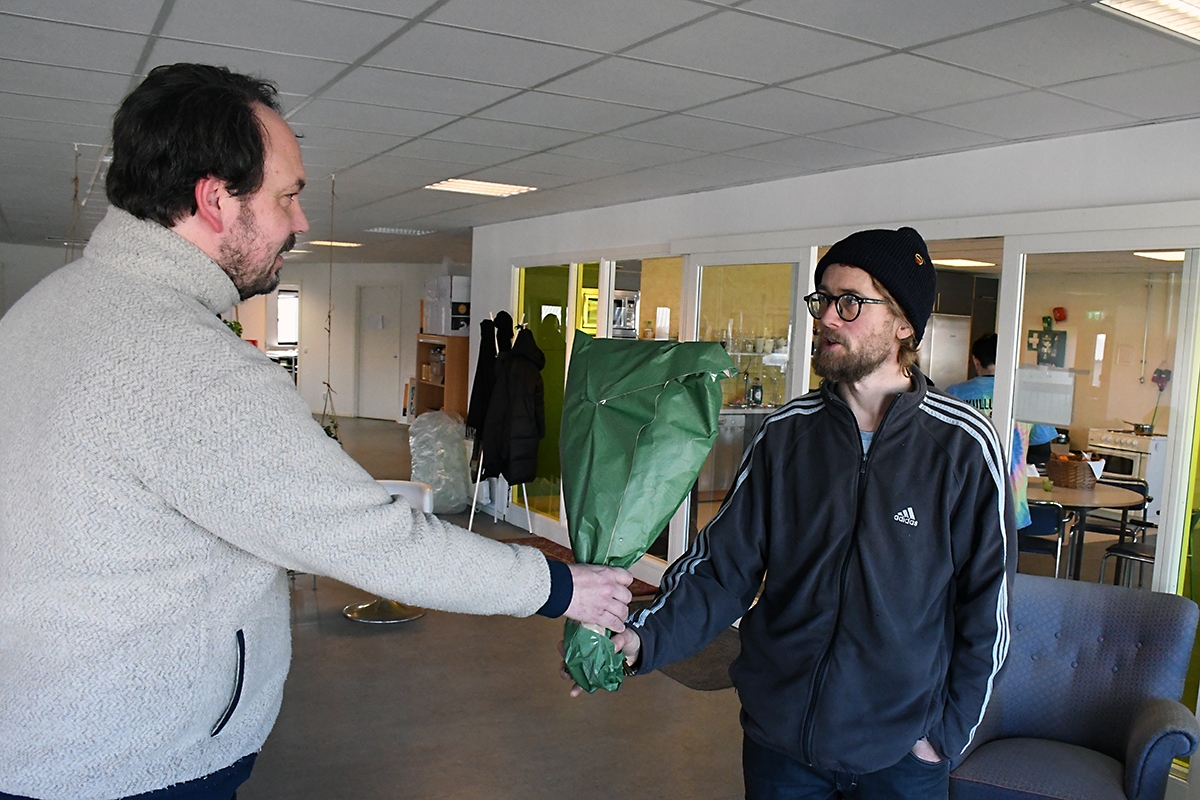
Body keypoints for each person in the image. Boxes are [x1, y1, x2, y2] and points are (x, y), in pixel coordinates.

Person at [0, 63, 632, 800]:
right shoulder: (187, 363)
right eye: (287, 196)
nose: (301, 221)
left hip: (37, 725)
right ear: (214, 199)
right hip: (124, 764)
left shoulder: (42, 312)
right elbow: (365, 539)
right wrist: (558, 586)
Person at [592, 228, 1015, 799]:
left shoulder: (962, 446)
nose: (828, 319)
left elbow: (989, 609)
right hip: (782, 746)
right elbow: (722, 568)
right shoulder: (786, 436)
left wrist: (944, 737)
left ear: (903, 324)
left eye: (850, 302)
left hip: (901, 756)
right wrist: (643, 637)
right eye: (824, 300)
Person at [945, 333, 1059, 530]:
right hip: (1012, 501)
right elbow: (1042, 452)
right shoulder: (1025, 396)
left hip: (966, 498)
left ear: (976, 361)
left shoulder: (955, 394)